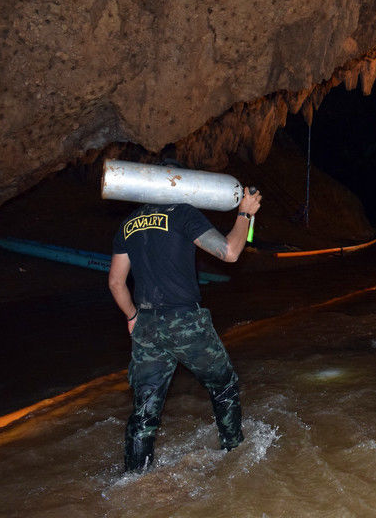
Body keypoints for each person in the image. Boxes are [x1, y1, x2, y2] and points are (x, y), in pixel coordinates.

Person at [108, 186, 262, 472]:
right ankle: (235, 459)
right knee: (223, 385)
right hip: (184, 322)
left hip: (147, 325)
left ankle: (133, 479)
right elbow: (229, 252)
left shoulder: (128, 223)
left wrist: (132, 317)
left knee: (144, 410)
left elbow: (116, 283)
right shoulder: (181, 213)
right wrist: (244, 213)